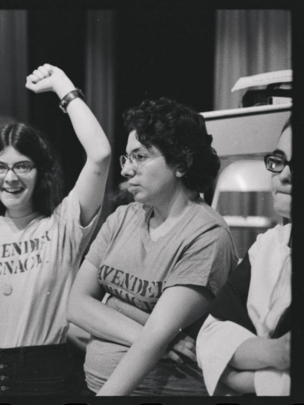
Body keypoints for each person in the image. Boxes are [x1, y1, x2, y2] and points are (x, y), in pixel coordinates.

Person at [67, 97, 237, 396]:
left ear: (181, 164)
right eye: (126, 158)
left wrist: (118, 314)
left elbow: (156, 338)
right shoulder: (123, 217)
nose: (126, 171)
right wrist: (158, 336)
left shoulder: (207, 235)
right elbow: (76, 305)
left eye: (140, 156)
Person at [0, 63, 111, 396]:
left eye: (22, 166)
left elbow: (100, 155)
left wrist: (62, 85)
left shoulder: (64, 224)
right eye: (0, 167)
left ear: (40, 172)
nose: (10, 178)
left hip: (44, 377)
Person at [196, 119, 292, 396]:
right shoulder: (269, 245)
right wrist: (279, 354)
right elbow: (210, 334)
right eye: (280, 160)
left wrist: (240, 378)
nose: (283, 175)